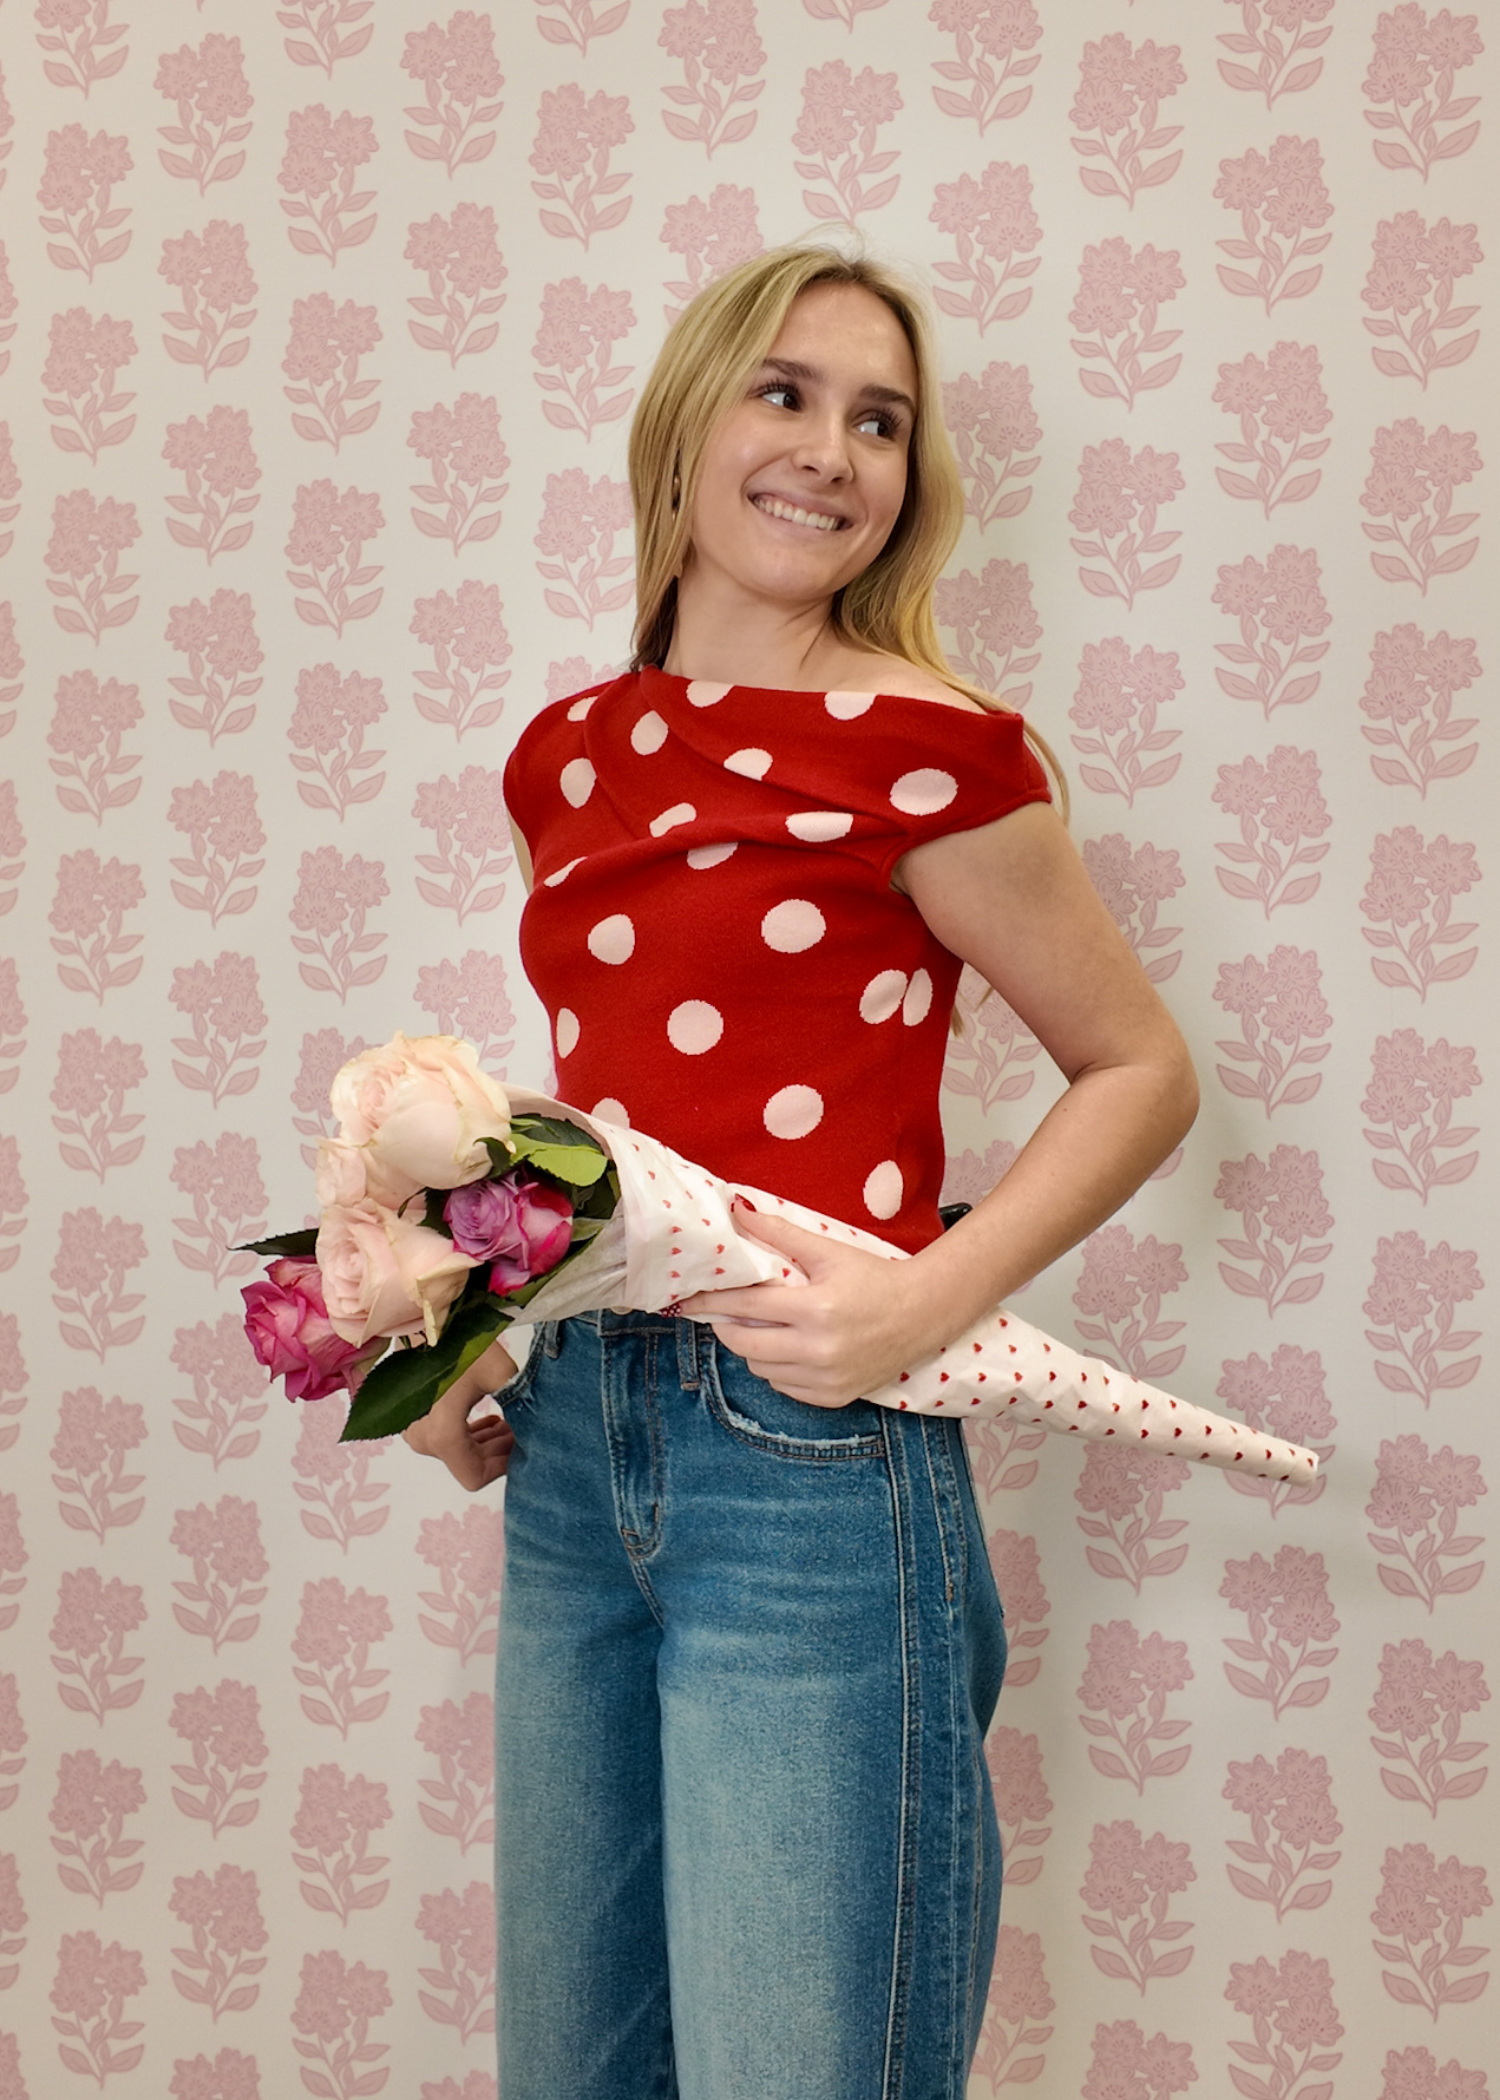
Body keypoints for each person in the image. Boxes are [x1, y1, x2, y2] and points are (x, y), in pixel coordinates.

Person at [403, 242, 1198, 2100]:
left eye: (880, 421)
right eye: (786, 392)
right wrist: (452, 1327)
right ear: (684, 427)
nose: (833, 450)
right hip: (580, 1452)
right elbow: (614, 1113)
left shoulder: (935, 755)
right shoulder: (570, 756)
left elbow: (1141, 1069)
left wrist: (924, 1296)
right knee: (575, 2067)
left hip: (814, 1462)